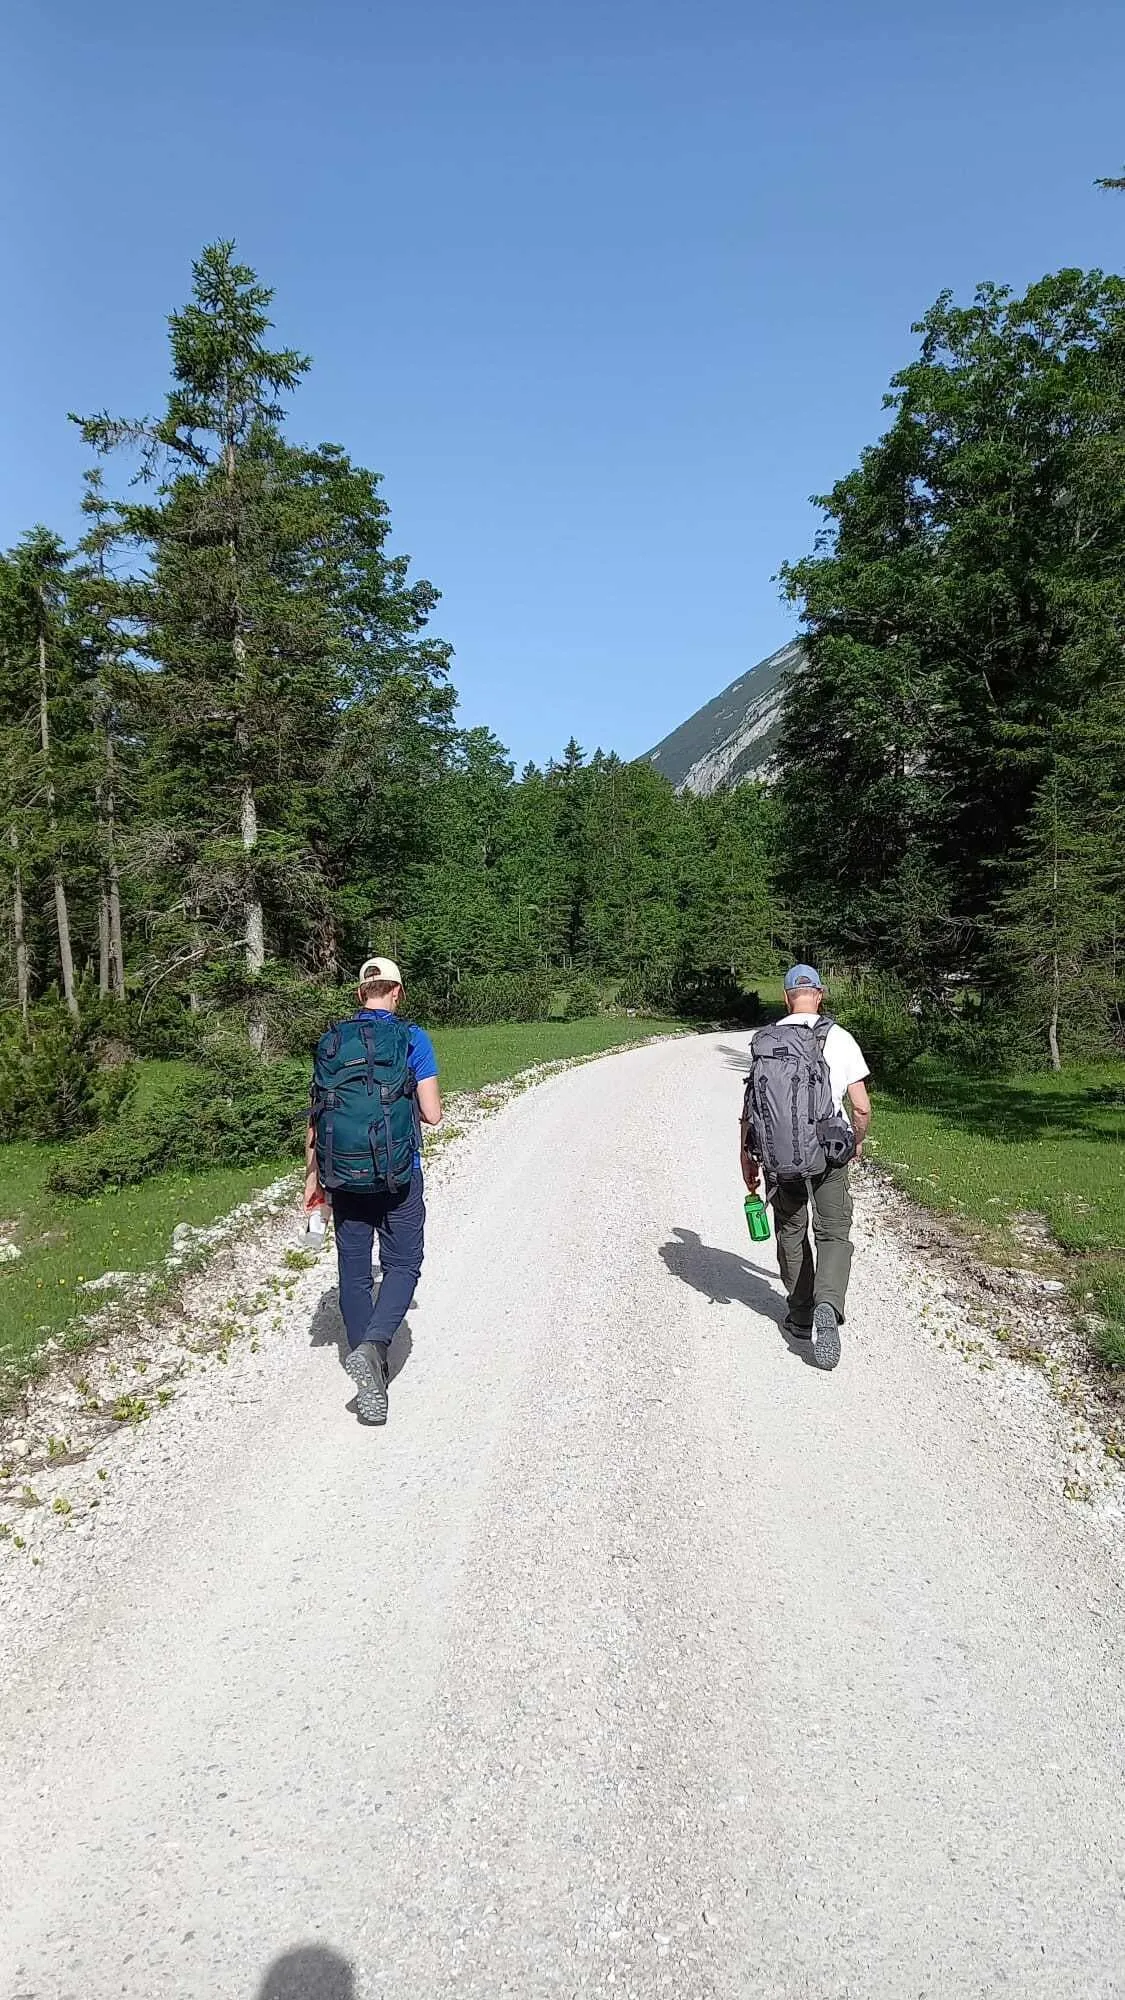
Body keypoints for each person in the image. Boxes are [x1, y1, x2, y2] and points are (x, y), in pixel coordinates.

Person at [304, 956, 442, 1424]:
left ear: (361, 994)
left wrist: (313, 1180)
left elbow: (317, 1115)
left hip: (343, 1174)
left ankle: (371, 1373)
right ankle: (375, 1346)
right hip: (401, 1172)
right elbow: (433, 1113)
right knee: (403, 1262)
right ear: (397, 993)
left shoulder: (332, 1043)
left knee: (355, 1271)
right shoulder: (412, 1038)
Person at [740, 964, 870, 1369]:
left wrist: (747, 1158)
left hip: (781, 1155)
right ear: (820, 993)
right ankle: (828, 1304)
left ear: (785, 997)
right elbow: (861, 1106)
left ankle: (799, 1316)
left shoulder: (768, 1041)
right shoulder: (840, 1037)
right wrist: (857, 1141)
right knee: (832, 1231)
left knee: (791, 1231)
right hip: (829, 1152)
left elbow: (752, 1109)